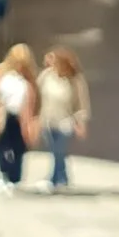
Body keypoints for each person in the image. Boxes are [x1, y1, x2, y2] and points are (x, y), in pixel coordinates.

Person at [0, 39, 38, 192]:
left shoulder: (29, 78)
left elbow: (33, 100)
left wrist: (31, 122)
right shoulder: (0, 72)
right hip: (4, 115)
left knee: (19, 147)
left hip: (19, 117)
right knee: (2, 145)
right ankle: (4, 172)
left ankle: (15, 176)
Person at [36, 44, 90, 192]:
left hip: (65, 122)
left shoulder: (75, 80)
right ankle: (63, 178)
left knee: (58, 150)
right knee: (55, 151)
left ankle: (55, 179)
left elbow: (81, 103)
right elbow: (36, 94)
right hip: (47, 120)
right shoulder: (46, 75)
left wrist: (81, 123)